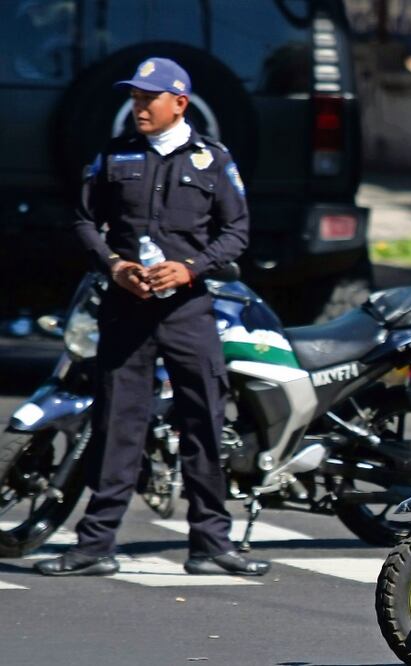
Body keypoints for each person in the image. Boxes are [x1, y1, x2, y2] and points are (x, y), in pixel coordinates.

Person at [37, 57, 269, 576]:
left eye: (149, 98)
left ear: (179, 103)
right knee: (118, 423)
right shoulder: (115, 156)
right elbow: (83, 220)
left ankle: (211, 543)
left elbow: (236, 232)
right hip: (126, 309)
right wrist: (114, 265)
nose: (138, 107)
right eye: (135, 98)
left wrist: (190, 269)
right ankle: (95, 545)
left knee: (203, 423)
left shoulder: (213, 160)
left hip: (189, 311)